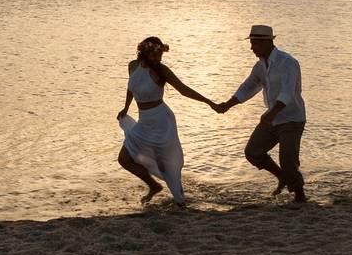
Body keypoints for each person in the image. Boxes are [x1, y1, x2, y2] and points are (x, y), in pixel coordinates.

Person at [117, 36, 218, 206]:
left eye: (160, 56)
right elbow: (131, 87)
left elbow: (184, 89)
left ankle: (180, 202)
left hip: (161, 122)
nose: (158, 60)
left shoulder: (161, 70)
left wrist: (210, 103)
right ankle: (154, 186)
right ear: (144, 53)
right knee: (124, 159)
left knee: (166, 166)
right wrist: (126, 108)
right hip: (144, 122)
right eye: (154, 56)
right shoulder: (132, 66)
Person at [213, 24, 307, 202]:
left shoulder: (288, 63)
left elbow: (287, 93)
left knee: (288, 160)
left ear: (267, 42)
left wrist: (271, 114)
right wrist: (227, 105)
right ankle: (282, 177)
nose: (251, 48)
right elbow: (247, 88)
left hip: (292, 119)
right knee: (253, 152)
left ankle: (300, 196)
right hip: (271, 119)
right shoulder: (259, 67)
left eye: (255, 43)